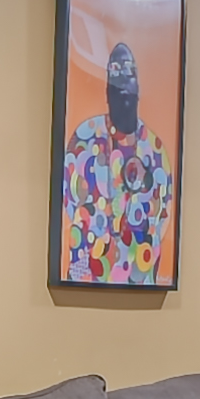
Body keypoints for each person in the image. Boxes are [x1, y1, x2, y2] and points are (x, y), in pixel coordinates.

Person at [55, 31, 174, 285]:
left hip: (140, 284)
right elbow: (69, 202)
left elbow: (162, 218)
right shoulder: (83, 140)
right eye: (116, 85)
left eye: (129, 81)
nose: (124, 95)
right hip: (85, 281)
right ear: (106, 94)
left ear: (139, 92)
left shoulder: (156, 153)